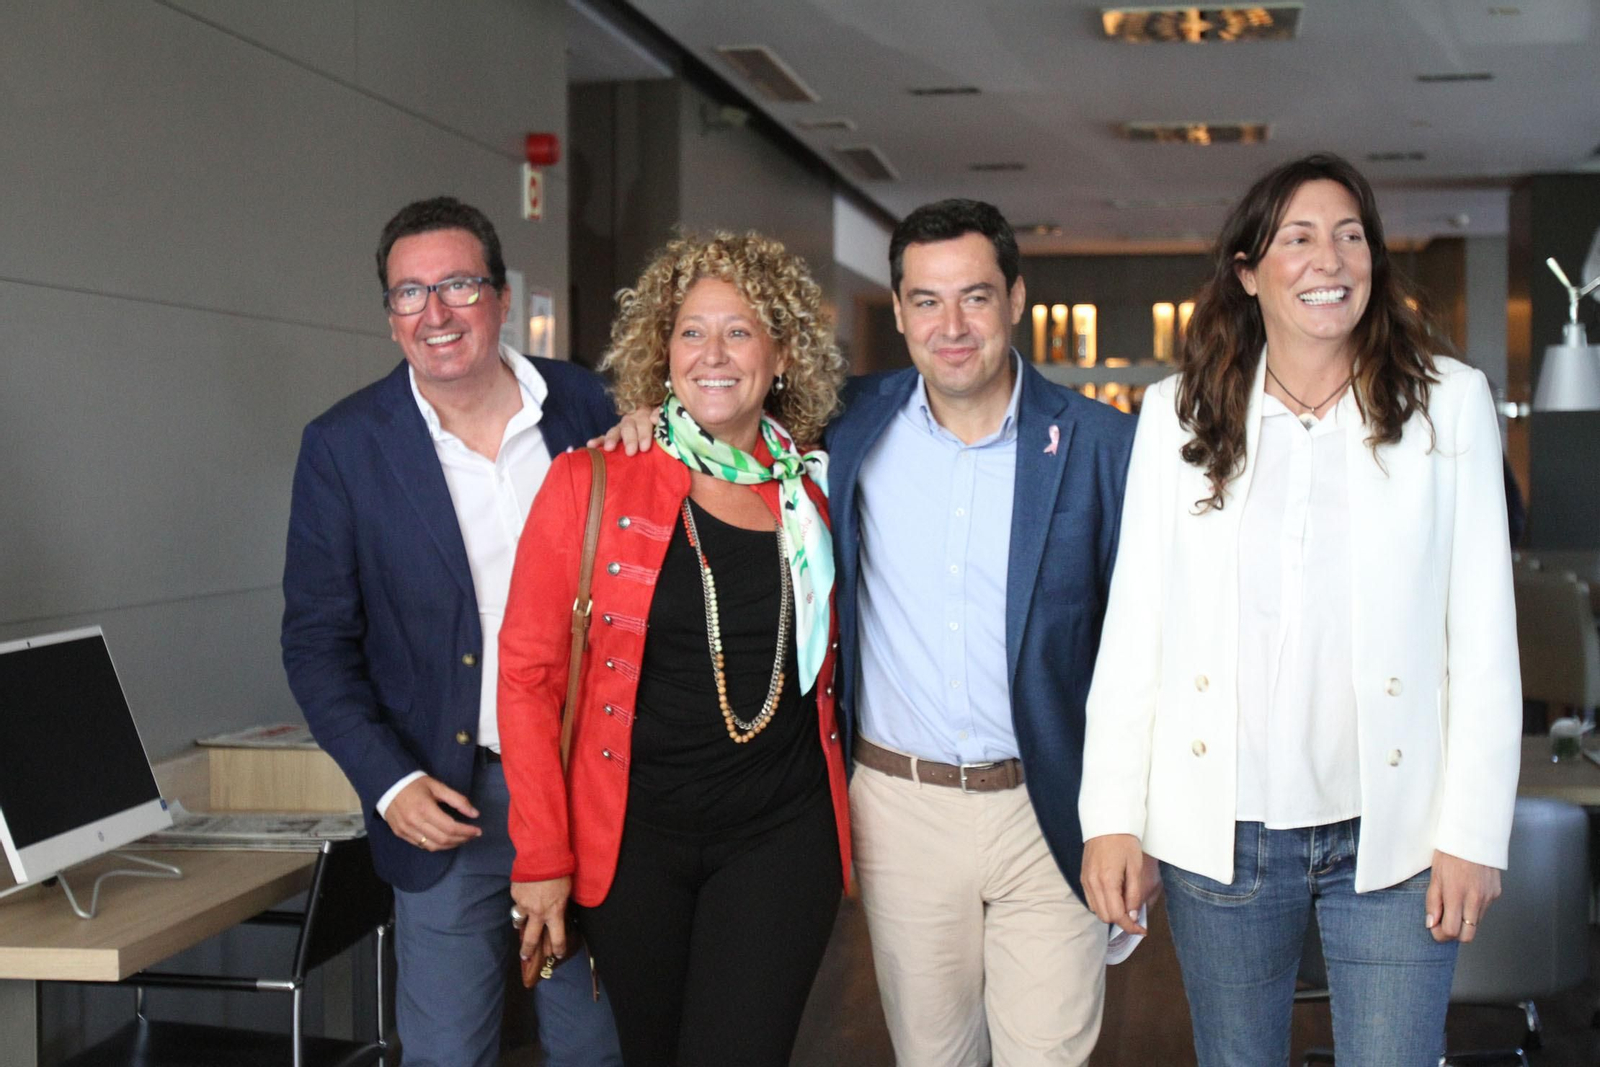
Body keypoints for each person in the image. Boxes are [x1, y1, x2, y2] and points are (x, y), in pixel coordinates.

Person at [600, 200, 1136, 1065]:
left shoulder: (1101, 444)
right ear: (898, 310)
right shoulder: (843, 427)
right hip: (900, 805)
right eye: (926, 300)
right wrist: (647, 424)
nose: (951, 326)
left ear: (1017, 300)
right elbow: (720, 411)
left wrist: (1126, 817)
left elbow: (1139, 646)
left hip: (1049, 811)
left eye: (975, 297)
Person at [1078, 153, 1521, 1066]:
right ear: (1248, 271)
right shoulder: (1176, 416)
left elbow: (1482, 640)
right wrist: (1112, 814)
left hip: (1397, 833)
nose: (1332, 259)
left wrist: (1474, 830)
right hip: (1224, 829)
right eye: (1300, 237)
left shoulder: (1453, 406)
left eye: (1352, 236)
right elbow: (1135, 630)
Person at [497, 231, 852, 1067]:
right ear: (662, 350)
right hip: (634, 844)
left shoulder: (818, 489)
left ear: (782, 352)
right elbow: (526, 678)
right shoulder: (590, 482)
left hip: (780, 835)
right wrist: (541, 854)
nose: (714, 353)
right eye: (692, 331)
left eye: (740, 330)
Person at [281, 197, 622, 1067]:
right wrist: (391, 782)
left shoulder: (586, 405)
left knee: (598, 1048)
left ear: (501, 297)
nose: (435, 313)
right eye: (409, 293)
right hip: (450, 804)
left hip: (592, 793)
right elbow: (317, 644)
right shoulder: (345, 446)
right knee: (446, 1056)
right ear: (390, 316)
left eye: (458, 285)